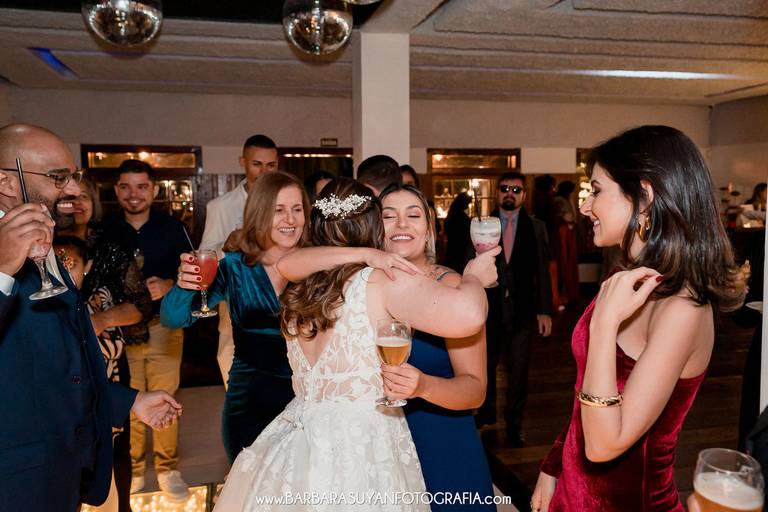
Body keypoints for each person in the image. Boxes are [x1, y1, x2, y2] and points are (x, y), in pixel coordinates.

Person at [214, 178, 498, 510]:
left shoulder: (301, 285)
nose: (400, 224)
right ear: (375, 227)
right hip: (364, 444)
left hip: (311, 440)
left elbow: (286, 264)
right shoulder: (381, 280)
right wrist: (475, 278)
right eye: (388, 216)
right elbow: (469, 314)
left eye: (413, 215)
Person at [531, 125, 745, 512]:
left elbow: (604, 445)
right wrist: (554, 464)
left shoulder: (682, 309)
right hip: (572, 493)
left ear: (644, 197)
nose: (585, 207)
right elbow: (586, 393)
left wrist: (603, 326)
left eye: (596, 191)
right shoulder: (626, 280)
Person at [0, 123, 181, 512]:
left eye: (72, 176)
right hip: (15, 475)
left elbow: (57, 364)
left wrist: (129, 401)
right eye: (58, 177)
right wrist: (1, 270)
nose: (71, 189)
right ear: (6, 182)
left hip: (60, 465)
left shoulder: (46, 242)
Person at [162, 171, 309, 464]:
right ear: (259, 213)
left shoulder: (318, 266)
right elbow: (172, 319)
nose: (290, 220)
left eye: (297, 209)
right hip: (249, 404)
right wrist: (184, 285)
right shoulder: (235, 267)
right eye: (278, 210)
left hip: (308, 403)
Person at [102, 159, 192, 501]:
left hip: (163, 325)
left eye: (141, 186)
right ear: (116, 191)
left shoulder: (172, 227)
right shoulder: (106, 229)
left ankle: (168, 467)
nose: (133, 194)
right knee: (132, 396)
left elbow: (195, 274)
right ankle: (135, 466)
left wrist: (169, 284)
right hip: (120, 330)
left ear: (153, 190)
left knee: (166, 395)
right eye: (125, 187)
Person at [476, 172, 553, 447]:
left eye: (516, 190)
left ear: (524, 195)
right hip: (489, 310)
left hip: (522, 310)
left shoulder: (537, 227)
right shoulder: (482, 225)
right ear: (497, 192)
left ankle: (514, 423)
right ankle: (485, 416)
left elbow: (542, 271)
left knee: (519, 371)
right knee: (485, 366)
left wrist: (545, 311)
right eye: (505, 188)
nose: (510, 193)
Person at [199, 134, 279, 388]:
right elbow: (207, 253)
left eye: (271, 165)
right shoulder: (220, 207)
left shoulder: (288, 202)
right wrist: (234, 244)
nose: (264, 172)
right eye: (257, 164)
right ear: (242, 162)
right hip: (236, 305)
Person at [443, 192, 473, 273]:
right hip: (459, 249)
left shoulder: (452, 213)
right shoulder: (460, 216)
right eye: (467, 203)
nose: (468, 206)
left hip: (452, 248)